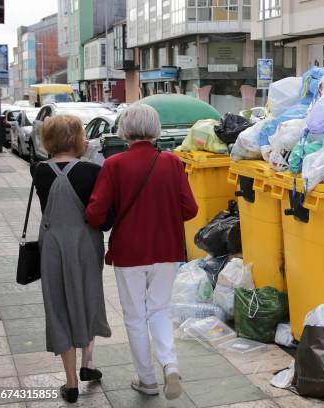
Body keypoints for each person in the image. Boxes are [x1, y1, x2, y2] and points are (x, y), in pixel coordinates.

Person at [86, 104, 198, 400]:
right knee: (160, 309)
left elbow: (95, 213)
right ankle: (170, 366)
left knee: (135, 316)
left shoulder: (114, 165)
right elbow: (191, 209)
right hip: (167, 249)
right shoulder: (172, 163)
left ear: (124, 129)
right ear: (156, 129)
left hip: (129, 251)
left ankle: (147, 379)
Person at [31, 115, 112, 403]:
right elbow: (103, 216)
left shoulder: (38, 170)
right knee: (88, 297)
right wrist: (88, 154)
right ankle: (88, 363)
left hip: (51, 245)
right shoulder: (92, 171)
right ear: (79, 139)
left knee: (59, 304)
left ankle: (71, 383)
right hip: (85, 244)